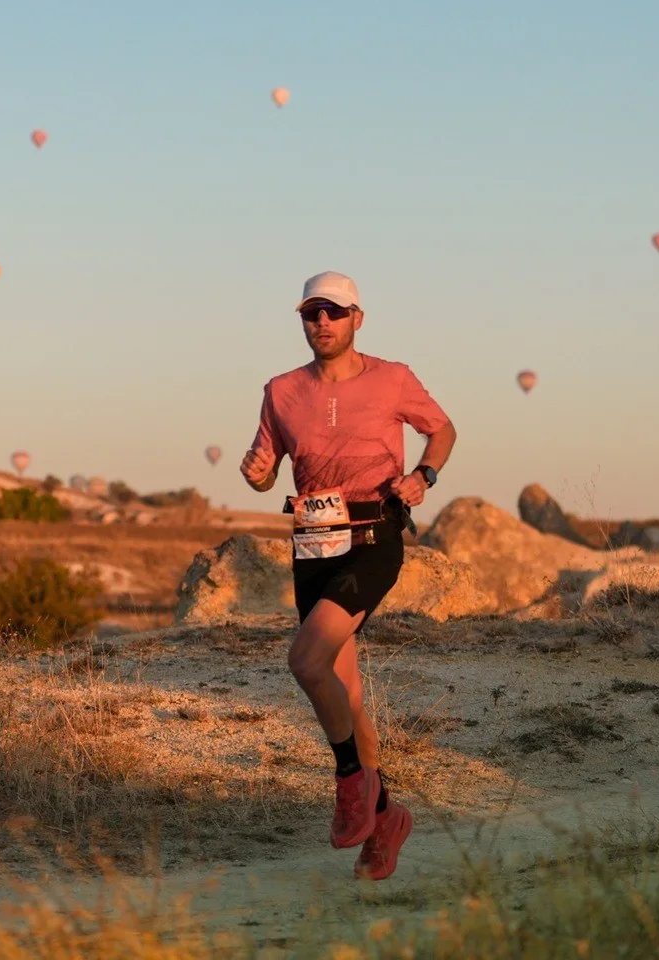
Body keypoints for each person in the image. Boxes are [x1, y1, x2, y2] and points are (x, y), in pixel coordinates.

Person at [240, 271, 457, 880]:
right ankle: (386, 818)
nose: (322, 324)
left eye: (334, 313)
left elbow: (442, 429)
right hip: (312, 542)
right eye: (312, 314)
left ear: (357, 318)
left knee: (305, 661)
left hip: (373, 537)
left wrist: (424, 477)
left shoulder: (392, 378)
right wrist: (257, 473)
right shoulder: (281, 390)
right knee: (347, 693)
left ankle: (348, 783)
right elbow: (264, 467)